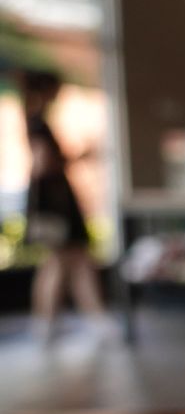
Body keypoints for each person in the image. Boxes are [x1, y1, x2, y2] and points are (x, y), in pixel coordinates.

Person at [20, 69, 108, 341]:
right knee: (65, 261)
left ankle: (59, 320)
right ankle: (62, 320)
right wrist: (79, 157)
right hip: (54, 202)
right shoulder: (38, 123)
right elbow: (43, 165)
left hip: (52, 200)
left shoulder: (35, 120)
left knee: (69, 261)